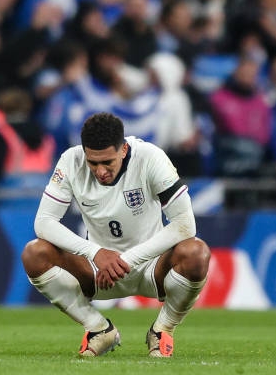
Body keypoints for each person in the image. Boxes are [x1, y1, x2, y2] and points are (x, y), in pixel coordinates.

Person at [21, 112, 210, 357]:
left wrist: (127, 260)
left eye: (107, 162)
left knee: (196, 253)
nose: (100, 171)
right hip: (99, 271)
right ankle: (98, 329)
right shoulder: (71, 160)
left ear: (124, 149)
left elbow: (185, 224)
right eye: (93, 163)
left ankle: (163, 329)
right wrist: (95, 252)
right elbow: (44, 222)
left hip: (152, 266)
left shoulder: (150, 157)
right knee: (34, 254)